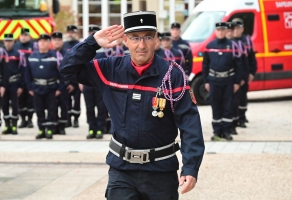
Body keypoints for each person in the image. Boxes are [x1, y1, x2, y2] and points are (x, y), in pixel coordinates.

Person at [60, 11, 204, 199]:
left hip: (161, 171)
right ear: (125, 40)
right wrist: (92, 42)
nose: (141, 45)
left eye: (147, 38)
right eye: (135, 38)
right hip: (122, 171)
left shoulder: (173, 76)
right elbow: (67, 69)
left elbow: (189, 124)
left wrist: (191, 167)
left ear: (156, 40)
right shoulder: (109, 69)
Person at [202, 22, 243, 141]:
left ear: (226, 31)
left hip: (228, 81)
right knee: (216, 107)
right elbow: (205, 65)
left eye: (222, 30)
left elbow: (238, 65)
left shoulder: (232, 45)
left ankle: (227, 131)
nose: (220, 32)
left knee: (228, 106)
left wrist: (237, 82)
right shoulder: (210, 46)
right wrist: (206, 81)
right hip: (214, 81)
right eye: (218, 30)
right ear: (216, 31)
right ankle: (217, 132)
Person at [25, 34, 64, 139]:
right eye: (40, 41)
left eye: (45, 41)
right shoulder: (32, 56)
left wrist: (60, 88)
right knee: (39, 110)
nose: (42, 43)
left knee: (52, 110)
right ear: (38, 43)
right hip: (37, 88)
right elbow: (27, 74)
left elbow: (62, 73)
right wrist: (29, 88)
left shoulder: (55, 56)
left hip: (51, 88)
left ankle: (50, 130)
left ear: (48, 43)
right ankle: (41, 130)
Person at [83, 25, 107, 139]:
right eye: (90, 33)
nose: (91, 35)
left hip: (100, 83)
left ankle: (100, 129)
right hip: (87, 83)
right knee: (89, 107)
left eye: (94, 33)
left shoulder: (104, 50)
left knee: (101, 107)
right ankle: (91, 128)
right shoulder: (84, 49)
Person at [232, 19, 257, 128]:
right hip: (233, 76)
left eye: (238, 28)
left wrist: (252, 72)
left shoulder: (247, 40)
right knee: (234, 99)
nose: (236, 30)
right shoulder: (230, 41)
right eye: (234, 28)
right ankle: (235, 119)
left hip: (245, 74)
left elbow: (252, 58)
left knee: (242, 97)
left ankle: (242, 118)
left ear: (242, 29)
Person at [2, 33, 25, 135]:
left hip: (15, 83)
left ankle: (14, 126)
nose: (8, 43)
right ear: (3, 42)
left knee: (15, 105)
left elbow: (23, 71)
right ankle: (7, 126)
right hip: (3, 84)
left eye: (10, 41)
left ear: (13, 42)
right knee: (4, 105)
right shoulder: (1, 54)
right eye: (6, 41)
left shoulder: (18, 54)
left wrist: (21, 86)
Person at [14, 28, 36, 128]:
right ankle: (23, 120)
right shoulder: (16, 46)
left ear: (29, 36)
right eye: (22, 35)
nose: (23, 37)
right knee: (20, 100)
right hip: (20, 77)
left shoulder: (33, 46)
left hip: (31, 77)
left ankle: (30, 120)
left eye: (26, 35)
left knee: (30, 100)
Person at [52, 31, 72, 135]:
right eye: (55, 40)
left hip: (65, 84)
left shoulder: (67, 54)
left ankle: (62, 126)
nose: (57, 42)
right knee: (53, 107)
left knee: (64, 106)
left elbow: (73, 68)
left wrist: (72, 83)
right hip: (52, 86)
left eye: (59, 40)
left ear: (62, 41)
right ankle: (55, 125)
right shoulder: (49, 54)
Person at [63, 25, 81, 128]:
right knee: (67, 100)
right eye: (69, 32)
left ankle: (76, 119)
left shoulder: (79, 45)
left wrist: (75, 83)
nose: (70, 34)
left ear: (76, 33)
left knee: (77, 101)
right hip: (67, 78)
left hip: (77, 78)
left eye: (72, 32)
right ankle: (68, 119)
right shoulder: (64, 45)